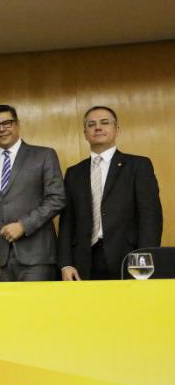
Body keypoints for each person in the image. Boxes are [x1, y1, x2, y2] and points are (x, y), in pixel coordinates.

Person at [58, 106, 162, 280]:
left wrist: (144, 259)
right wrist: (65, 264)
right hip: (84, 260)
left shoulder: (138, 166)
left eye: (104, 123)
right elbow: (67, 221)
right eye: (91, 124)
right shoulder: (74, 173)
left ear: (117, 129)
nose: (98, 127)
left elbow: (150, 216)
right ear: (85, 133)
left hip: (128, 257)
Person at [0, 105, 65, 281]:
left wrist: (24, 225)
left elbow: (57, 198)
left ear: (17, 124)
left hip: (36, 257)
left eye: (7, 123)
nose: (1, 129)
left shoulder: (44, 155)